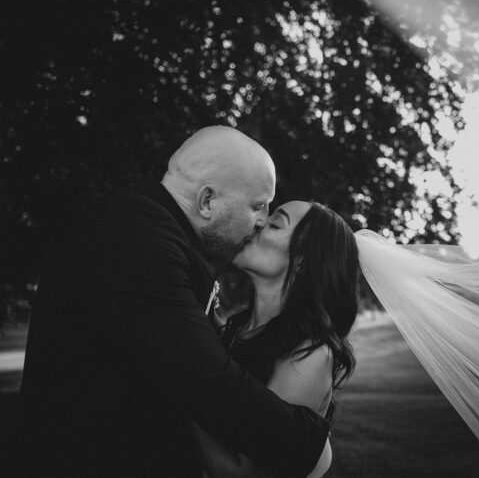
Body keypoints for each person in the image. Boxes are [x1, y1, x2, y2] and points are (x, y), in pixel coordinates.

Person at [20, 126, 330, 478]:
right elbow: (206, 380)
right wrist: (307, 441)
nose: (262, 221)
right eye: (258, 206)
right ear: (207, 201)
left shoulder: (162, 234)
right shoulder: (138, 240)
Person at [194, 200, 358, 478]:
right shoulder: (235, 327)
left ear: (302, 260)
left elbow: (243, 473)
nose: (258, 223)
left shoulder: (308, 354)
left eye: (274, 224)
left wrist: (179, 381)